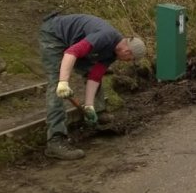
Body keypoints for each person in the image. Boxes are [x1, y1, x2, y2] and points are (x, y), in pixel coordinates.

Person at [39, 13, 146, 160]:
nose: (127, 62)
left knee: (90, 70)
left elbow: (95, 76)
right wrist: (63, 82)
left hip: (73, 41)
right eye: (130, 59)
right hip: (55, 34)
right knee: (56, 83)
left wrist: (88, 105)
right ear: (127, 51)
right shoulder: (105, 37)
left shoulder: (113, 52)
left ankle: (97, 111)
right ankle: (55, 141)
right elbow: (71, 53)